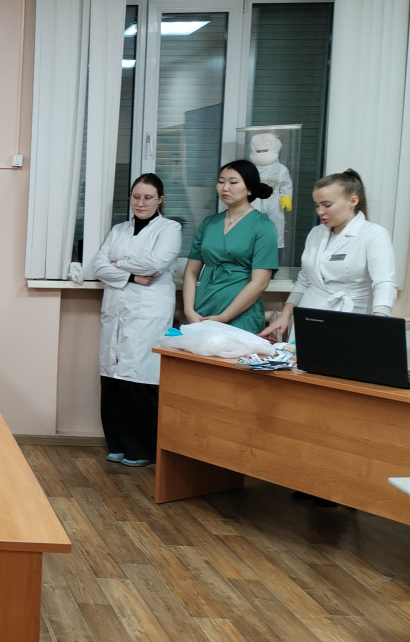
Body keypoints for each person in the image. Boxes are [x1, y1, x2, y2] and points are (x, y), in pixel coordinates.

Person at [91, 175, 182, 467]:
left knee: (140, 377)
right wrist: (130, 275)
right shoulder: (119, 229)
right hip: (117, 309)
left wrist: (117, 265)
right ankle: (117, 444)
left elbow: (156, 263)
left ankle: (141, 448)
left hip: (148, 311)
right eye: (136, 197)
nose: (141, 203)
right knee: (113, 375)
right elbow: (98, 266)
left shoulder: (170, 229)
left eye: (148, 197)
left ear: (160, 200)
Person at [260, 169, 397, 341]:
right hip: (311, 315)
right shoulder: (316, 233)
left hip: (353, 317)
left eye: (327, 205)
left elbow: (384, 283)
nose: (320, 212)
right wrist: (285, 315)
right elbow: (304, 280)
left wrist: (379, 322)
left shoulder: (373, 234)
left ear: (353, 201)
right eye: (317, 205)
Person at [182, 160, 279, 334]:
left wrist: (224, 317)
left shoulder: (263, 226)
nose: (225, 187)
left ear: (249, 189)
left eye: (233, 182)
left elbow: (260, 282)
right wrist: (189, 310)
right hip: (203, 307)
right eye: (221, 181)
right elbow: (190, 272)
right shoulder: (208, 223)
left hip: (241, 313)